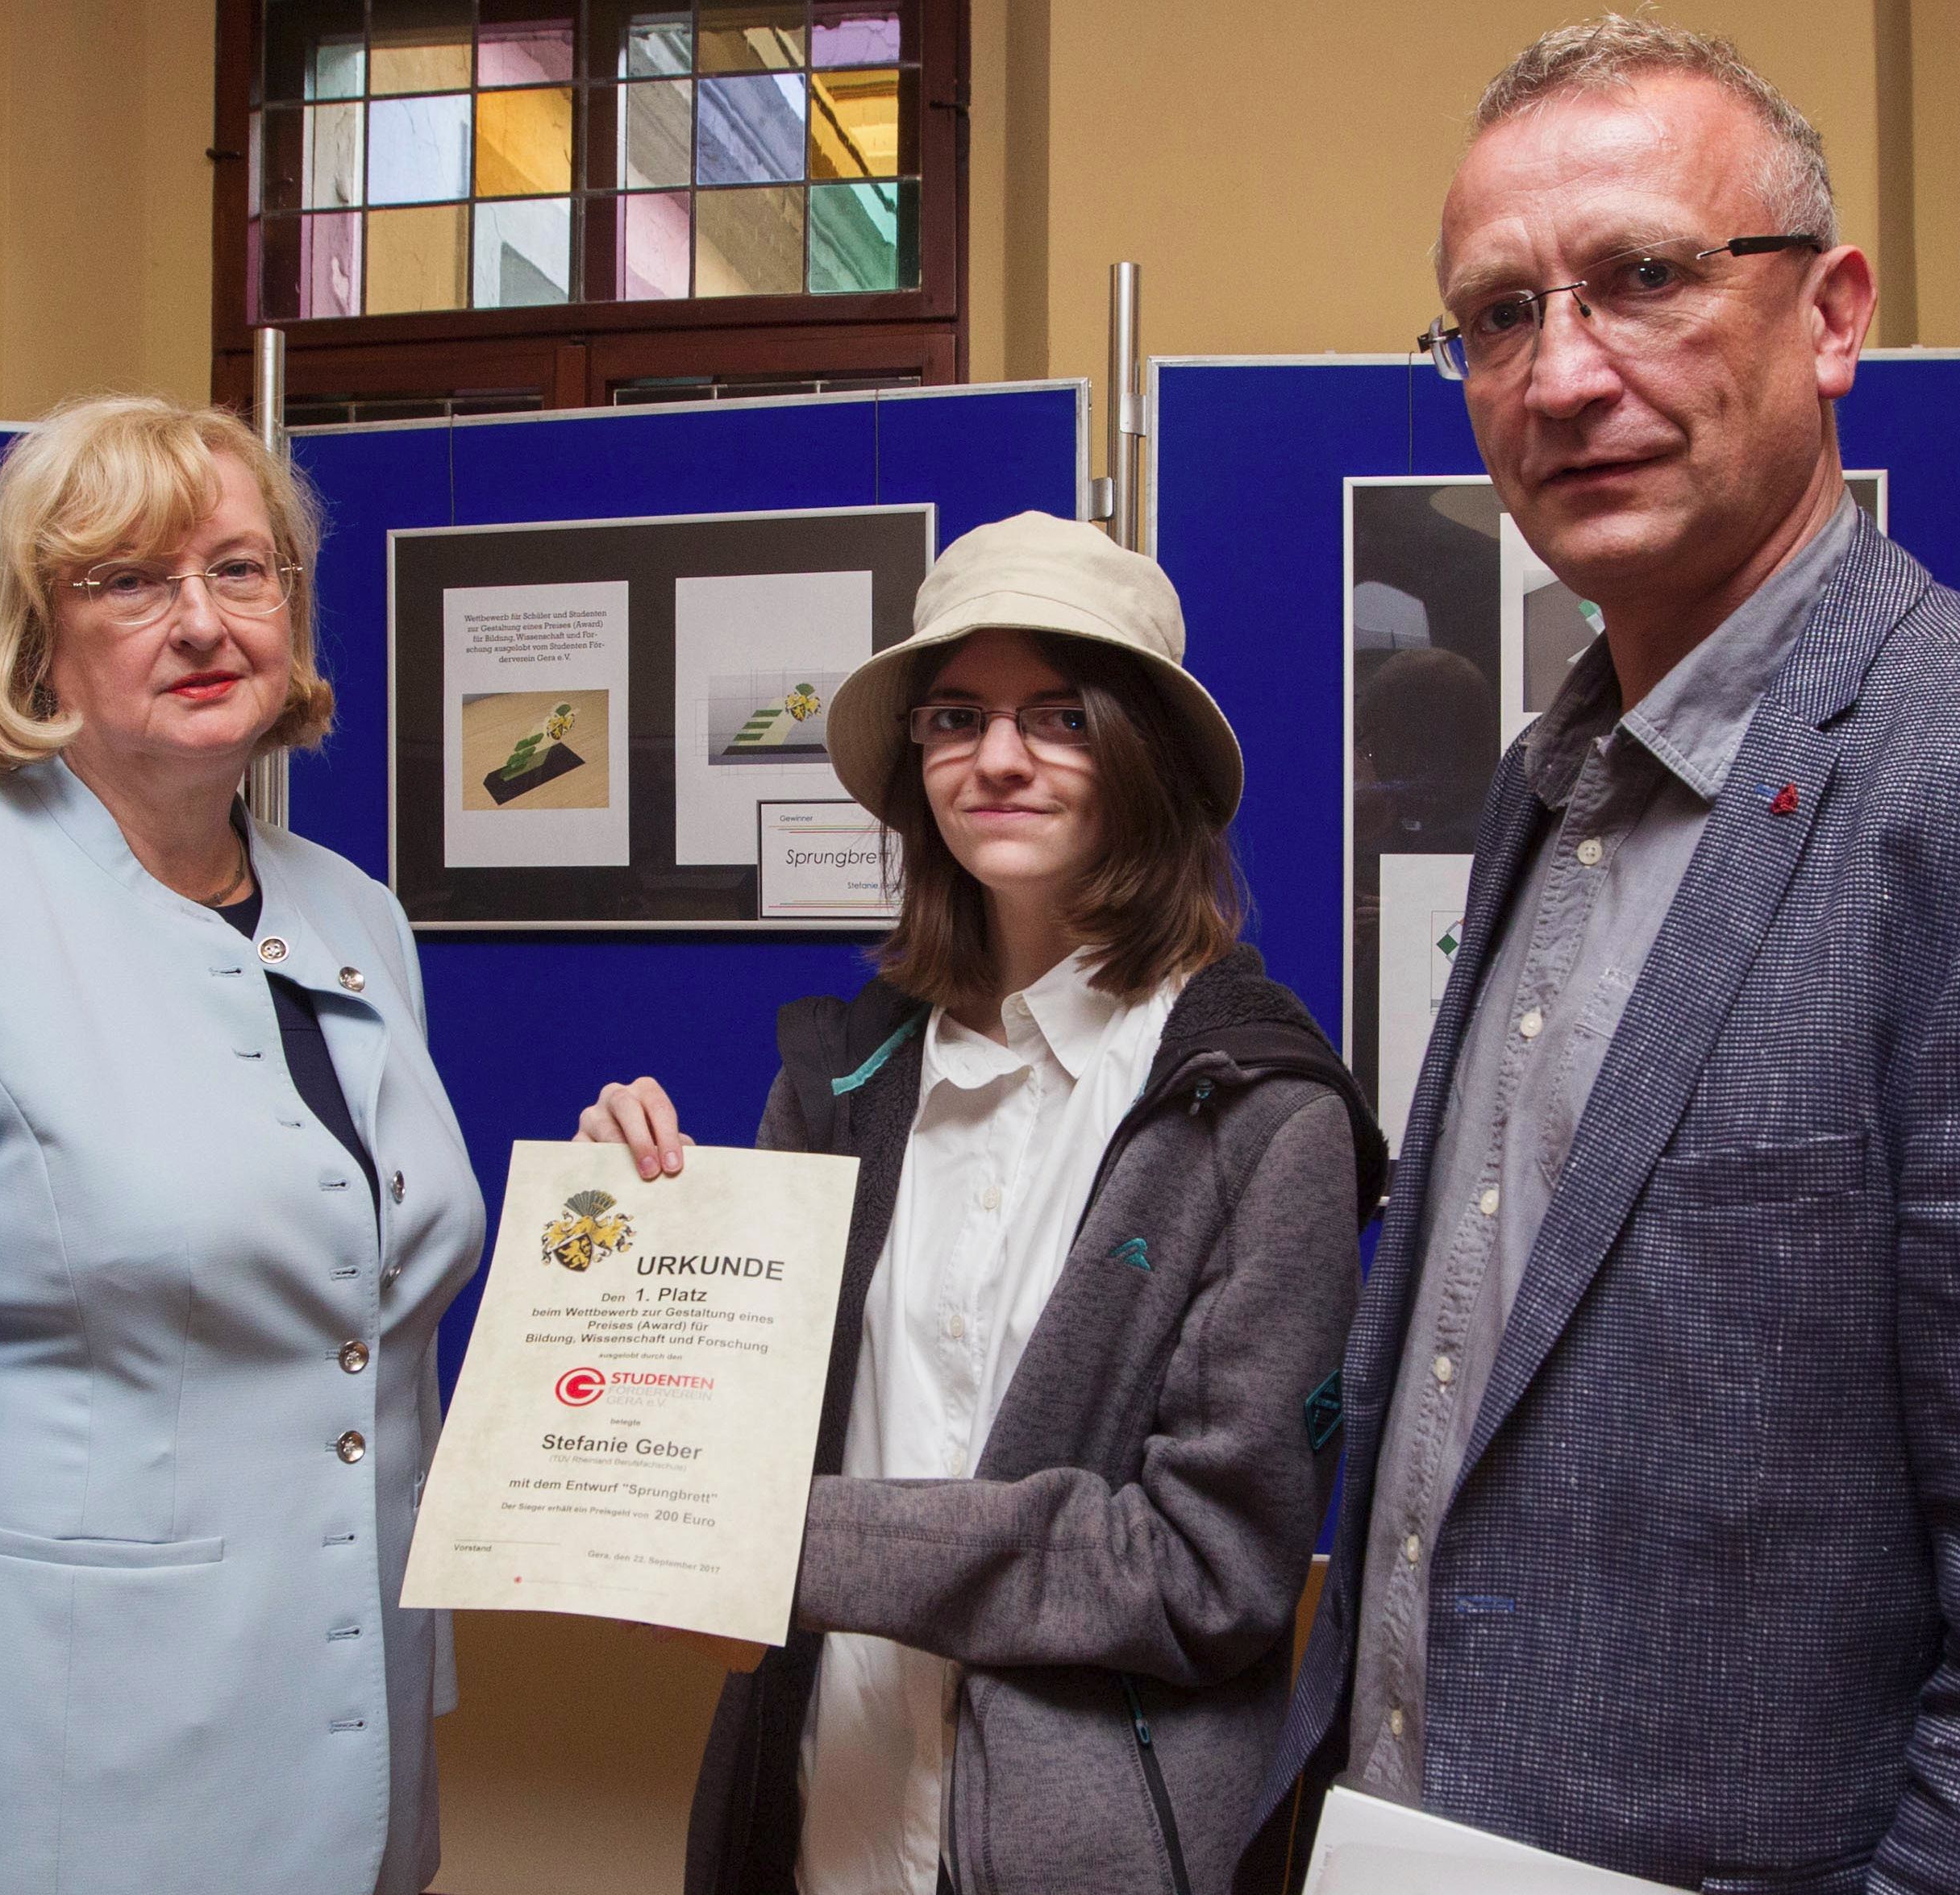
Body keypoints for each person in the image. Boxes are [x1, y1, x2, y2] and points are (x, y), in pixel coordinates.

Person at [1266, 20, 1960, 1895]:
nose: (1562, 374)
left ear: (1832, 316)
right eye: (1498, 317)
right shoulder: (1555, 782)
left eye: (1643, 278)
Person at [0, 394, 484, 1894]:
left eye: (241, 572)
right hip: (59, 1781)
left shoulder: (351, 911)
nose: (200, 621)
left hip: (346, 1745)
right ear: (33, 636)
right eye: (129, 580)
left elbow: (360, 1350)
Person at [578, 512, 1385, 1895]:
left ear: (1145, 761)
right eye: (955, 718)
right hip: (824, 1813)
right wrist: (618, 1230)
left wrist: (784, 1534)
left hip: (1098, 1857)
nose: (996, 759)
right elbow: (713, 1457)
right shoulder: (835, 1083)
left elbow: (1204, 1572)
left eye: (1058, 718)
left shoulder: (1265, 1119)